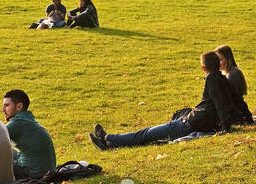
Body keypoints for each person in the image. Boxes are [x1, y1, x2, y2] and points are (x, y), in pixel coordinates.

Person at [90, 51, 240, 149]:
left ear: (203, 68)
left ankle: (108, 139)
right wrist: (247, 118)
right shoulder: (222, 80)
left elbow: (222, 105)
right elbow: (235, 101)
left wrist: (226, 128)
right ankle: (111, 143)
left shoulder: (213, 81)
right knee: (148, 135)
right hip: (191, 121)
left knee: (145, 134)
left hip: (185, 126)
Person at [2, 89, 57, 180]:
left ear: (19, 106)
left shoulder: (18, 122)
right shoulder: (27, 118)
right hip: (47, 170)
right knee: (6, 151)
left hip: (33, 174)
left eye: (6, 105)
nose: (3, 109)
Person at [215, 45, 254, 124]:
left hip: (236, 113)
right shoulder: (227, 73)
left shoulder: (233, 74)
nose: (218, 63)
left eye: (220, 59)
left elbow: (232, 99)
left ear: (228, 59)